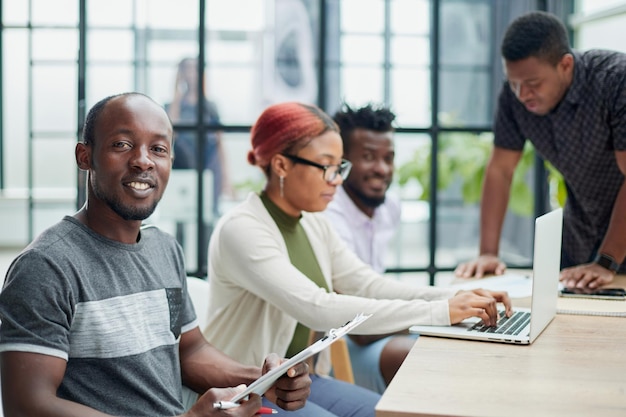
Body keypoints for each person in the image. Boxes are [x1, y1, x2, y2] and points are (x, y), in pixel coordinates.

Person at [0, 92, 311, 417]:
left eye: (158, 149)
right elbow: (27, 406)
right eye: (122, 144)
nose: (143, 160)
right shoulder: (45, 266)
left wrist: (263, 379)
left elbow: (190, 352)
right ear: (84, 157)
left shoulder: (164, 249)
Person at [201, 101, 513, 416]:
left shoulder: (312, 221)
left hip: (301, 383)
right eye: (326, 166)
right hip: (246, 392)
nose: (336, 179)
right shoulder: (242, 229)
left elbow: (366, 284)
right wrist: (440, 311)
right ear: (281, 165)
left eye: (340, 167)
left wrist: (458, 297)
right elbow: (316, 308)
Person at [455, 11, 626, 289]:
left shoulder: (616, 80)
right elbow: (500, 170)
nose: (522, 95)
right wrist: (488, 253)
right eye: (514, 83)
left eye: (533, 84)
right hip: (579, 238)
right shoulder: (515, 98)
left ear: (565, 65)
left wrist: (607, 260)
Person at [322, 103, 416, 393]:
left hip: (377, 326)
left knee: (444, 348)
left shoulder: (389, 207)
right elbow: (357, 327)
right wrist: (430, 317)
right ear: (343, 161)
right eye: (368, 158)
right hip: (337, 344)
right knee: (417, 356)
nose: (382, 169)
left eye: (389, 158)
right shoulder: (330, 215)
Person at [165, 57, 231, 215]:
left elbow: (220, 143)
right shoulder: (172, 105)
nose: (192, 74)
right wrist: (177, 92)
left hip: (209, 167)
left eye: (195, 69)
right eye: (187, 69)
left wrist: (226, 178)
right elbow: (170, 134)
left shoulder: (210, 107)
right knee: (181, 213)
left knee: (209, 213)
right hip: (184, 168)